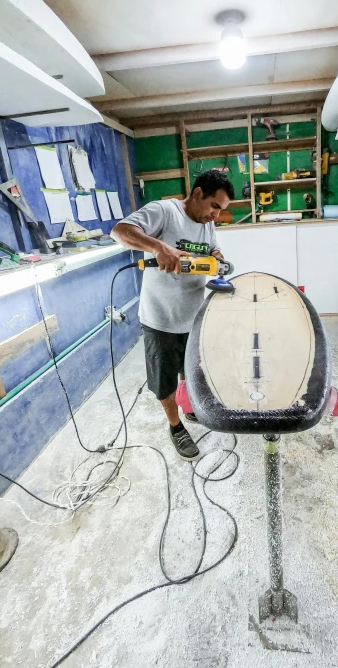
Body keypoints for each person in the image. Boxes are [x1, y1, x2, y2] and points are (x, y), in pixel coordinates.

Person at [111, 169, 234, 461]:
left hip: (192, 315)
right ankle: (175, 426)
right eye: (214, 206)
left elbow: (212, 246)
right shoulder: (164, 211)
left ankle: (189, 407)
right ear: (198, 194)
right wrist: (158, 247)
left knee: (188, 369)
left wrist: (216, 256)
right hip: (161, 319)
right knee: (164, 381)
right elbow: (119, 231)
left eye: (222, 210)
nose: (216, 215)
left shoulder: (207, 222)